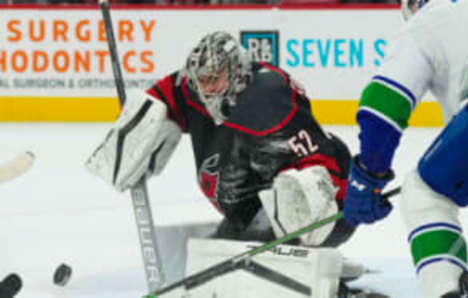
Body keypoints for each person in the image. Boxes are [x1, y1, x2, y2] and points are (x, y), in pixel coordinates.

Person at [86, 31, 362, 295]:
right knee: (222, 251)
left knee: (290, 201)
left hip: (322, 209)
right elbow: (169, 92)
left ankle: (311, 264)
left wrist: (329, 208)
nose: (206, 89)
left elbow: (319, 162)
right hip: (253, 210)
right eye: (201, 80)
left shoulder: (267, 98)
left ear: (238, 70)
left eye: (214, 79)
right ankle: (300, 257)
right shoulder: (194, 89)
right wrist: (140, 122)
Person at [342, 0, 468, 297]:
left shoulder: (431, 18)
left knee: (425, 195)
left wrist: (368, 175)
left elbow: (383, 105)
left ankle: (445, 289)